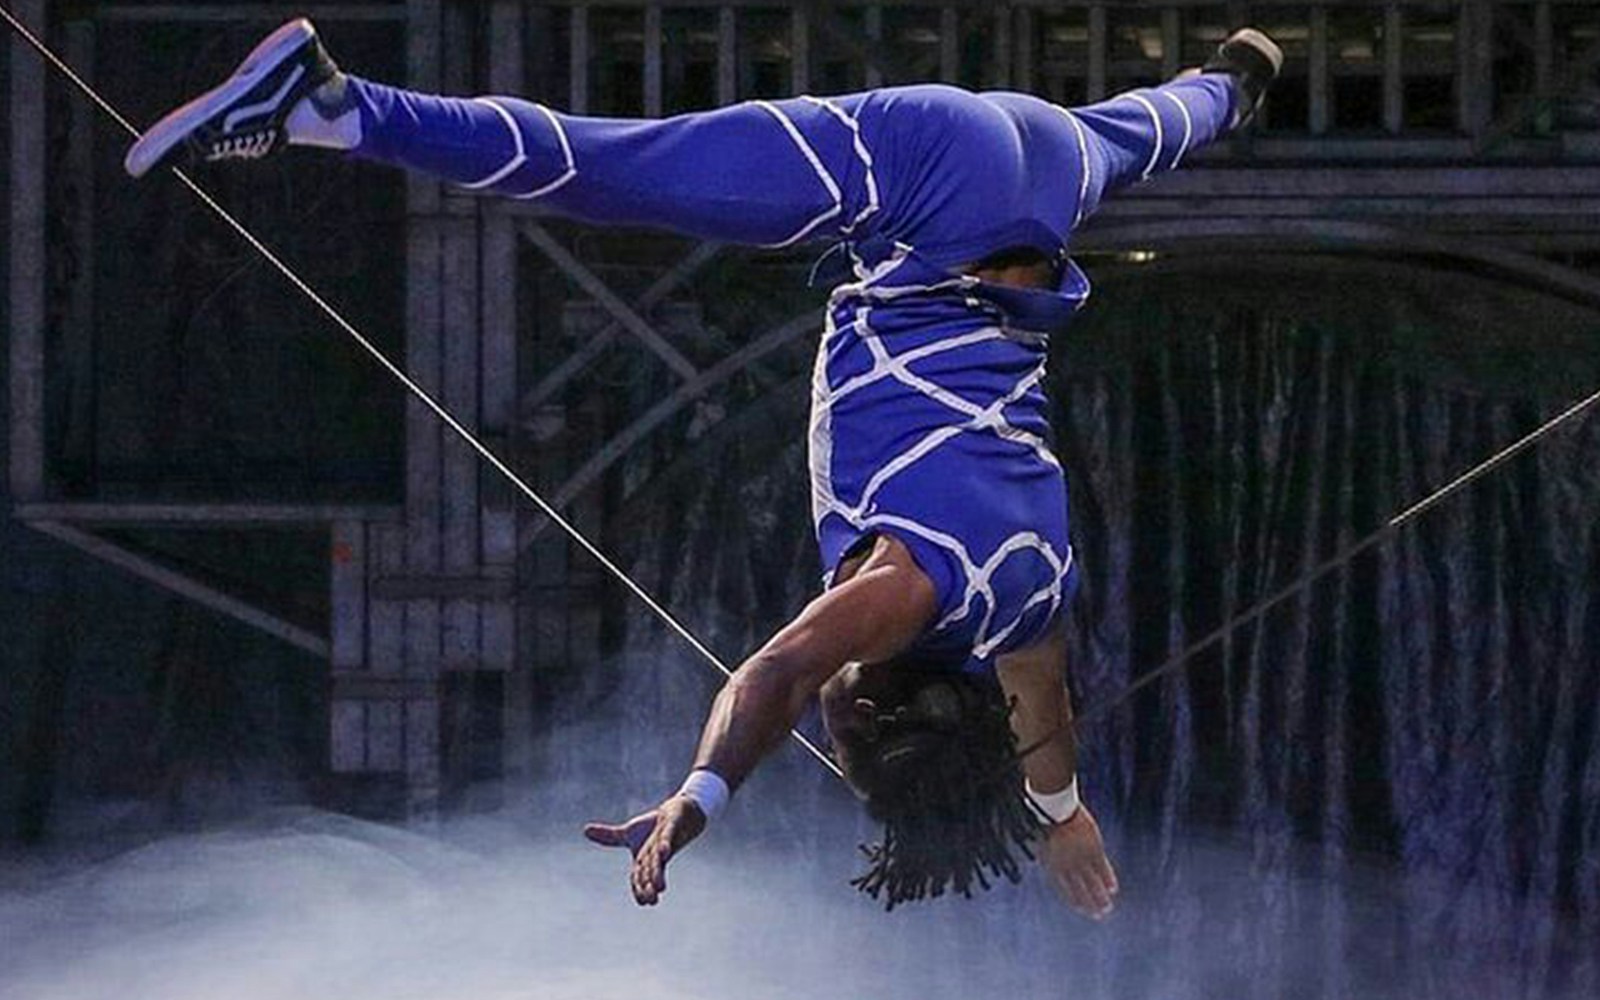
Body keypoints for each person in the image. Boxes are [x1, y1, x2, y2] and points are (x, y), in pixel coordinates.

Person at [126, 19, 1281, 917]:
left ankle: (1232, 80)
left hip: (1043, 180)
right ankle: (333, 106)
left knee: (1158, 125)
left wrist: (1062, 815)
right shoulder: (898, 595)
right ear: (865, 693)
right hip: (926, 183)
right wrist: (701, 794)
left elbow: (1044, 703)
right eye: (842, 736)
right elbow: (775, 673)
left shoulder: (1025, 602)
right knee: (611, 172)